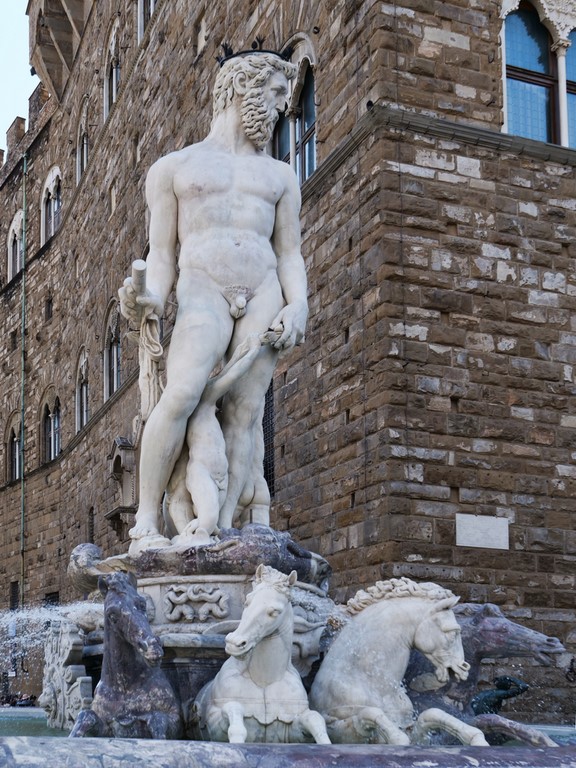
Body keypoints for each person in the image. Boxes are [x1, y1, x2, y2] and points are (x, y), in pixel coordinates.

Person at [119, 51, 308, 554]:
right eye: (273, 96)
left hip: (265, 289)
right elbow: (161, 255)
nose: (278, 111)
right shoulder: (173, 169)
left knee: (246, 411)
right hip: (202, 287)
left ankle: (223, 527)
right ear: (242, 88)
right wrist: (149, 299)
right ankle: (146, 520)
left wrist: (299, 305)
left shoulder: (281, 177)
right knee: (180, 394)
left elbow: (290, 253)